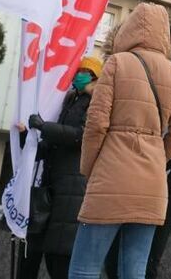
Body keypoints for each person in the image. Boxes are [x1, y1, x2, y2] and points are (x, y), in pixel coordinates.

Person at [69, 3, 171, 279]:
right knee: (134, 270)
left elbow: (96, 123)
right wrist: (159, 156)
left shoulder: (116, 63)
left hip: (110, 175)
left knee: (84, 268)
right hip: (152, 181)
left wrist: (90, 167)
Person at [106, 23, 171, 279]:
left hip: (164, 183)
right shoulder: (138, 76)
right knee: (113, 261)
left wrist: (147, 162)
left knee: (144, 263)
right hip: (124, 179)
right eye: (168, 46)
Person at [18, 56, 105, 279]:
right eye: (78, 71)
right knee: (40, 256)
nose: (79, 75)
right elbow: (54, 144)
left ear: (96, 77)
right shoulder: (70, 101)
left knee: (60, 260)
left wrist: (44, 126)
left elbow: (80, 136)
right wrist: (27, 138)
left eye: (86, 72)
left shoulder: (97, 102)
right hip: (53, 185)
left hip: (73, 186)